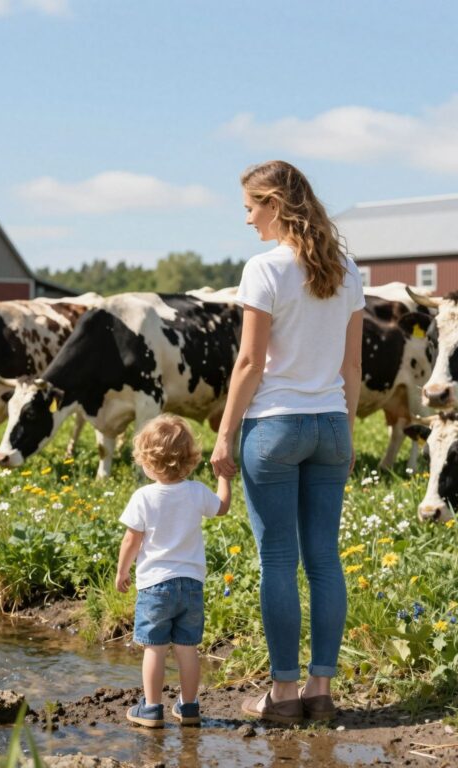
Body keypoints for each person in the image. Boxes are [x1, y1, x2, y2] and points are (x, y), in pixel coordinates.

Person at [210, 160, 363, 725]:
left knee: (277, 559)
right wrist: (345, 433)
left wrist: (225, 433)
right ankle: (321, 690)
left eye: (251, 206)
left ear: (275, 204)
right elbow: (352, 367)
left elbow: (250, 362)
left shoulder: (264, 269)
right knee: (324, 560)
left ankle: (283, 694)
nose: (248, 219)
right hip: (329, 426)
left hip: (274, 427)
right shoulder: (347, 270)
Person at [116, 414, 231, 728]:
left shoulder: (143, 497)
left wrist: (122, 570)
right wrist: (223, 476)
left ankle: (152, 709)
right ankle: (190, 707)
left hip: (155, 586)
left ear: (147, 462)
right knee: (187, 647)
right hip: (191, 585)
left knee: (154, 648)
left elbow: (131, 539)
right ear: (189, 460)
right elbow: (222, 507)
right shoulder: (195, 492)